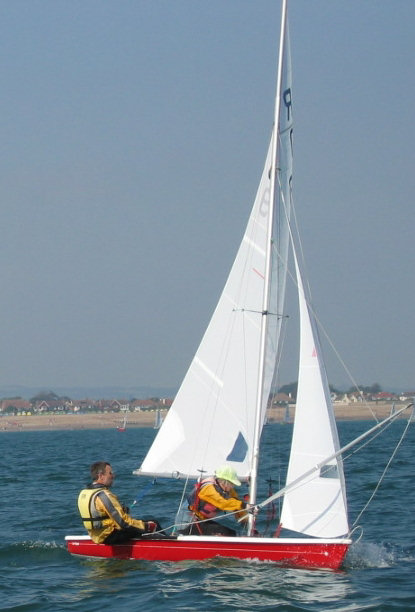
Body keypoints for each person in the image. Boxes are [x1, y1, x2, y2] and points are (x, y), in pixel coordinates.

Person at [78, 461, 163, 544]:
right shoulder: (103, 495)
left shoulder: (84, 493)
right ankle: (170, 544)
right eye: (110, 473)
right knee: (153, 523)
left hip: (96, 536)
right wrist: (147, 526)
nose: (113, 476)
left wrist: (122, 510)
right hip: (110, 537)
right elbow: (124, 523)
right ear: (101, 476)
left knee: (143, 525)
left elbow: (99, 513)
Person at [183, 464, 255, 536]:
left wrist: (246, 521)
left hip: (203, 521)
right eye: (232, 484)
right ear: (225, 482)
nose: (233, 486)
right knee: (225, 533)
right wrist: (245, 505)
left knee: (231, 533)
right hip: (191, 521)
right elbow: (222, 502)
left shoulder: (228, 490)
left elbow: (236, 504)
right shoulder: (208, 489)